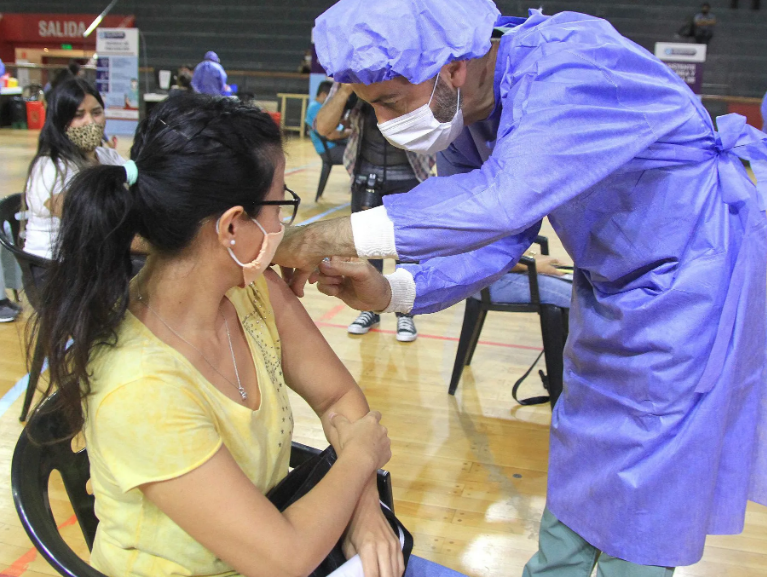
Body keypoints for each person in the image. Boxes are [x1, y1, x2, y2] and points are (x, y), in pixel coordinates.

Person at [273, 1, 767, 575]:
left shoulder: (569, 64)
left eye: (390, 102)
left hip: (692, 275)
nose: (385, 123)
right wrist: (392, 292)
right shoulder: (465, 108)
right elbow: (493, 236)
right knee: (584, 445)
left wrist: (319, 237)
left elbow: (499, 203)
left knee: (651, 474)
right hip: (611, 282)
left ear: (452, 68)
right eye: (371, 106)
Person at [28, 93, 466, 577]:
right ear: (232, 227)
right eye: (279, 204)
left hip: (291, 534)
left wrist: (364, 513)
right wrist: (360, 458)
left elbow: (338, 397)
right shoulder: (140, 388)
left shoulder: (251, 289)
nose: (283, 226)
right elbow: (283, 559)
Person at [315, 81, 435, 342]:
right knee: (365, 249)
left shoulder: (412, 75)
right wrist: (346, 89)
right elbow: (322, 127)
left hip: (411, 174)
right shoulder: (349, 79)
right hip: (365, 176)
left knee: (408, 249)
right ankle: (369, 309)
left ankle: (406, 312)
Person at [24, 77, 126, 260]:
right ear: (61, 122)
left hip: (94, 257)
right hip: (53, 265)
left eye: (96, 113)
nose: (90, 122)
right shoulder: (50, 168)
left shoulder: (109, 157)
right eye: (79, 115)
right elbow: (89, 219)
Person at [306, 80, 349, 163]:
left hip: (331, 146)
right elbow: (332, 135)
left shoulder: (315, 106)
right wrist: (351, 132)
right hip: (329, 149)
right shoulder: (316, 108)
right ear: (323, 95)